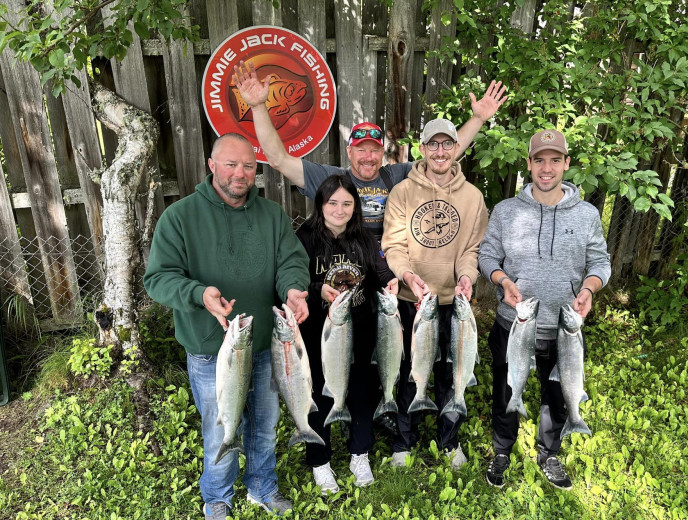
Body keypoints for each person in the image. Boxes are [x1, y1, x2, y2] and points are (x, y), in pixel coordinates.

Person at [143, 133, 311, 519]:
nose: (241, 173)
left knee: (265, 424)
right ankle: (217, 495)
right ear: (212, 165)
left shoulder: (271, 216)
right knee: (221, 426)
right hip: (210, 346)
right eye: (231, 164)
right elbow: (158, 279)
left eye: (249, 166)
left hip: (268, 342)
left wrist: (293, 290)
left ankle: (262, 486)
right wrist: (199, 294)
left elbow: (291, 261)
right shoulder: (180, 217)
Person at [232, 60, 507, 237]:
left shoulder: (397, 175)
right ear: (349, 152)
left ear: (382, 152)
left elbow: (442, 156)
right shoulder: (328, 179)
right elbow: (278, 159)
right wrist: (258, 105)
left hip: (389, 268)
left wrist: (478, 118)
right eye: (361, 150)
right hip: (344, 266)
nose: (368, 157)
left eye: (374, 150)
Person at [478, 129, 611, 490]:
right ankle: (502, 450)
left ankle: (549, 452)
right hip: (514, 324)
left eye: (555, 160)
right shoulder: (506, 211)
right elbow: (487, 255)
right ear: (529, 165)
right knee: (507, 390)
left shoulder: (586, 214)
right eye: (540, 160)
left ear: (567, 164)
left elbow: (600, 261)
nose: (547, 168)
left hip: (564, 329)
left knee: (557, 394)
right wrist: (502, 281)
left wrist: (588, 288)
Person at [380, 117, 489, 470]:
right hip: (413, 301)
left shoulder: (473, 197)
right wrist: (407, 275)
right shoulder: (402, 193)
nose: (440, 151)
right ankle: (403, 442)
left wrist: (467, 276)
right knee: (409, 371)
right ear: (422, 149)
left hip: (451, 303)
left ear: (456, 148)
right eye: (432, 144)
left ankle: (448, 441)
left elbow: (472, 250)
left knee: (451, 372)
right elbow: (394, 245)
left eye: (447, 144)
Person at [294, 174, 399, 495]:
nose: (339, 210)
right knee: (317, 397)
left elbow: (381, 271)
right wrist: (315, 289)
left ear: (355, 207)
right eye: (332, 203)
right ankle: (320, 461)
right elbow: (293, 279)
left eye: (347, 203)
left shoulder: (366, 239)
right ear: (320, 205)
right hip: (317, 333)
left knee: (361, 392)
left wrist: (392, 281)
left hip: (362, 330)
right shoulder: (304, 238)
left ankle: (359, 454)